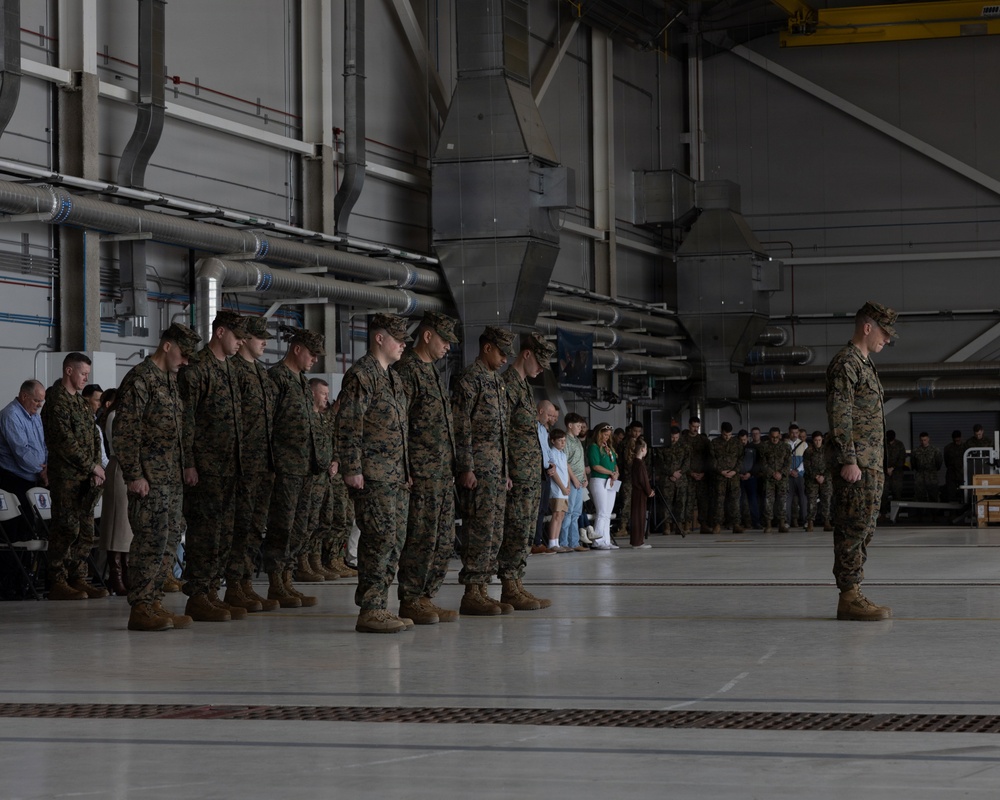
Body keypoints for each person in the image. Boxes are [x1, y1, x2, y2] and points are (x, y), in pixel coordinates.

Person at [114, 323, 201, 631]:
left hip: (172, 477)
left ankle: (155, 603)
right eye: (183, 353)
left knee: (168, 540)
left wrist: (187, 464)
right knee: (149, 541)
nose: (186, 361)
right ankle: (140, 606)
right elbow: (125, 432)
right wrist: (135, 475)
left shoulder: (172, 381)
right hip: (149, 479)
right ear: (167, 346)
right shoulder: (141, 379)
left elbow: (183, 431)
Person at [336, 312, 412, 634]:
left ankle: (381, 605)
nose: (403, 345)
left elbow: (399, 430)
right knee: (377, 540)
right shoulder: (361, 375)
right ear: (379, 338)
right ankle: (370, 608)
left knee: (394, 541)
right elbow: (350, 425)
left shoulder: (392, 378)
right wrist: (352, 469)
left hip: (395, 475)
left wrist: (406, 470)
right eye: (397, 338)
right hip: (373, 474)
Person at [827, 300, 896, 621]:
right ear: (867, 327)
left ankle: (854, 592)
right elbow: (840, 413)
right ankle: (849, 596)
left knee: (865, 528)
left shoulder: (866, 364)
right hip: (857, 463)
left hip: (872, 463)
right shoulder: (846, 363)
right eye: (884, 332)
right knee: (852, 528)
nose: (887, 339)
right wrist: (849, 459)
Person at [178, 309, 248, 623]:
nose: (241, 342)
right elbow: (187, 421)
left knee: (223, 533)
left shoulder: (231, 370)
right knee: (204, 534)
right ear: (220, 332)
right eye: (237, 336)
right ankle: (197, 596)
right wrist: (189, 463)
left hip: (230, 467)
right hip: (205, 468)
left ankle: (212, 593)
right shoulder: (197, 369)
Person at [392, 310, 460, 625]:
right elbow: (399, 425)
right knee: (420, 538)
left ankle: (426, 597)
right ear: (428, 335)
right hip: (420, 472)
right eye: (444, 340)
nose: (448, 347)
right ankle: (411, 599)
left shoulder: (432, 371)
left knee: (442, 540)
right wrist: (405, 469)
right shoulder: (407, 370)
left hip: (442, 473)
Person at [451, 325, 514, 615]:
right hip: (478, 470)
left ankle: (484, 589)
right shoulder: (469, 379)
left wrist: (506, 472)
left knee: (494, 533)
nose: (505, 359)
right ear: (487, 347)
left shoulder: (497, 382)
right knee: (478, 531)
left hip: (496, 471)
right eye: (501, 352)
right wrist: (466, 467)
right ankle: (471, 592)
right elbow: (461, 427)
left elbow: (502, 433)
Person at [265, 327, 325, 609]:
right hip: (285, 467)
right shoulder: (277, 378)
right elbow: (267, 425)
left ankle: (288, 579)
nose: (315, 360)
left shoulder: (301, 380)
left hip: (305, 467)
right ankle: (276, 583)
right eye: (312, 354)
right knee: (282, 527)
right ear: (297, 349)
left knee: (300, 528)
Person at [41, 352, 108, 601]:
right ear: (69, 371)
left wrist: (97, 468)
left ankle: (78, 577)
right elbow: (64, 443)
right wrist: (92, 466)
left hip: (87, 478)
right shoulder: (56, 403)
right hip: (66, 477)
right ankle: (57, 580)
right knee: (66, 527)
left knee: (86, 530)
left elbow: (94, 435)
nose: (85, 379)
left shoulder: (81, 403)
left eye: (87, 375)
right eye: (83, 374)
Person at [228, 315, 281, 612]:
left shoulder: (262, 374)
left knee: (253, 528)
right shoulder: (233, 371)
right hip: (242, 464)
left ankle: (246, 583)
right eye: (259, 337)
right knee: (239, 526)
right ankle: (234, 584)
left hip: (263, 463)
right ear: (244, 339)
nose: (264, 342)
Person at [500, 332, 556, 609]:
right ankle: (509, 585)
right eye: (539, 361)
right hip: (516, 474)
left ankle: (516, 583)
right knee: (515, 530)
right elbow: (500, 432)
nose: (541, 368)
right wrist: (506, 470)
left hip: (530, 474)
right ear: (526, 354)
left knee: (524, 532)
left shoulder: (524, 388)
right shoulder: (506, 385)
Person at [0, 379, 48, 541]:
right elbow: (22, 452)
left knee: (30, 530)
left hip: (33, 478)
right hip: (14, 480)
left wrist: (47, 466)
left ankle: (27, 565)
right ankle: (13, 567)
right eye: (36, 400)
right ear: (24, 396)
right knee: (16, 531)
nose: (39, 404)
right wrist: (42, 471)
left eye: (41, 401)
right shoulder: (11, 415)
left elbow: (42, 445)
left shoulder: (34, 415)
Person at [98, 390, 133, 596]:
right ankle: (116, 574)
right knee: (116, 524)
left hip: (131, 470)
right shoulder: (115, 415)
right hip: (119, 467)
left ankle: (126, 573)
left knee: (127, 527)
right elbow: (123, 446)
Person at [530, 400, 558, 554]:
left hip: (546, 471)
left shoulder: (543, 429)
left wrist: (552, 463)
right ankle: (530, 542)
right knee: (533, 508)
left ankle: (537, 541)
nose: (549, 419)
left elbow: (546, 449)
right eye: (548, 415)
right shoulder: (531, 426)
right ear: (540, 411)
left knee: (542, 509)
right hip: (535, 471)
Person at [587, 422, 619, 550]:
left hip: (610, 481)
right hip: (599, 480)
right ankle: (597, 540)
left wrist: (616, 473)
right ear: (599, 434)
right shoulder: (594, 447)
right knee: (601, 512)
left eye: (608, 435)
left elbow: (614, 463)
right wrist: (610, 473)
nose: (607, 437)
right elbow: (595, 466)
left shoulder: (608, 447)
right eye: (605, 435)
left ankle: (606, 539)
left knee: (607, 512)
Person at [653, 425, 689, 535]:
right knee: (666, 504)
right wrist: (671, 473)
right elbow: (660, 462)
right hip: (667, 479)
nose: (674, 439)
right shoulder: (662, 446)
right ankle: (666, 526)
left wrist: (679, 473)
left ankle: (679, 525)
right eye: (672, 437)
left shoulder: (684, 446)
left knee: (680, 503)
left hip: (680, 479)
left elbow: (687, 462)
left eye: (676, 437)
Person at [560, 412, 588, 551]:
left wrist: (584, 477)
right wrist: (574, 479)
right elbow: (566, 462)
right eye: (578, 426)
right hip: (571, 481)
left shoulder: (577, 441)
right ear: (570, 425)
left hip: (579, 481)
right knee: (569, 512)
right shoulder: (566, 440)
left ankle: (574, 542)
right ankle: (564, 542)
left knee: (576, 513)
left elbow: (580, 461)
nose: (580, 428)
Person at [710, 421, 744, 534]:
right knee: (719, 501)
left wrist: (735, 471)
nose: (727, 437)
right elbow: (712, 460)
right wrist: (721, 471)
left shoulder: (737, 443)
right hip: (720, 477)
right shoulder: (714, 443)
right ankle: (717, 524)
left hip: (733, 477)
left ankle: (736, 524)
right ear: (721, 432)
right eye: (725, 435)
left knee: (735, 501)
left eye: (729, 435)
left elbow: (741, 459)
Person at [758, 426, 791, 533]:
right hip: (769, 478)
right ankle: (768, 524)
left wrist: (781, 473)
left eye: (777, 437)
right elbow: (763, 463)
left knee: (782, 501)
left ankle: (782, 523)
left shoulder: (786, 447)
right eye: (773, 437)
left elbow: (788, 462)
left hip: (782, 478)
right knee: (768, 501)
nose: (775, 439)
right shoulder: (764, 447)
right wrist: (772, 473)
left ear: (780, 436)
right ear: (769, 436)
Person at [681, 416, 711, 533]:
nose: (695, 429)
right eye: (694, 427)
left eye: (697, 427)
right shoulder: (683, 440)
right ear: (689, 426)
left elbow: (709, 458)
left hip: (702, 475)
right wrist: (690, 472)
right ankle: (687, 524)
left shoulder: (704, 440)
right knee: (689, 500)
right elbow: (680, 459)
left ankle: (703, 524)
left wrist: (704, 473)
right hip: (688, 475)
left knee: (703, 501)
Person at [546, 428, 571, 552]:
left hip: (564, 490)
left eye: (564, 441)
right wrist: (562, 487)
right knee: (556, 515)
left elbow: (565, 472)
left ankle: (557, 541)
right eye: (560, 441)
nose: (563, 443)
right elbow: (554, 473)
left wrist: (568, 486)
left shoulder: (563, 454)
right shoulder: (551, 452)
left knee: (561, 515)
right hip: (557, 489)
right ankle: (552, 542)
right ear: (552, 441)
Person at [804, 431, 833, 532]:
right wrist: (816, 476)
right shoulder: (808, 451)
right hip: (812, 479)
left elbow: (830, 465)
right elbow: (807, 466)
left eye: (819, 440)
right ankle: (810, 522)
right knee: (812, 501)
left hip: (826, 479)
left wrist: (824, 476)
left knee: (826, 500)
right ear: (813, 440)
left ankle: (827, 521)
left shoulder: (827, 450)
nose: (818, 442)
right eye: (816, 440)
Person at [911, 432, 943, 519]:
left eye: (925, 440)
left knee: (934, 495)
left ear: (928, 439)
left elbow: (939, 463)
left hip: (931, 475)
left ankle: (935, 515)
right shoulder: (916, 451)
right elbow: (913, 463)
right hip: (920, 475)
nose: (923, 442)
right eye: (921, 440)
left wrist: (933, 470)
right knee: (919, 495)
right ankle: (920, 516)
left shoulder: (935, 450)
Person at [629, 437, 653, 548]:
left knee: (637, 516)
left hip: (636, 492)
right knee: (639, 517)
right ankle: (638, 542)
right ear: (643, 449)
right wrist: (649, 491)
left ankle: (637, 540)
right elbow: (644, 480)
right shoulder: (640, 463)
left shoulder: (635, 462)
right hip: (640, 493)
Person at [737, 429, 761, 530]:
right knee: (739, 501)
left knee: (753, 500)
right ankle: (740, 522)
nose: (743, 442)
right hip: (737, 478)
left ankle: (756, 522)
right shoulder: (734, 449)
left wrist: (750, 473)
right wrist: (737, 473)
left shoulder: (753, 448)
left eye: (745, 439)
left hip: (751, 478)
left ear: (748, 438)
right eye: (741, 440)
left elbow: (757, 463)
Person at [881, 429, 907, 519]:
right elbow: (880, 457)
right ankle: (883, 513)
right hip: (885, 473)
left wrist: (893, 468)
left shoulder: (899, 445)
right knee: (883, 494)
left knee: (897, 493)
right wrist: (886, 468)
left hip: (897, 473)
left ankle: (897, 514)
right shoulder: (883, 444)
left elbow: (902, 458)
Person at [787, 423, 808, 529]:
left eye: (796, 433)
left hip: (800, 475)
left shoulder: (804, 445)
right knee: (788, 498)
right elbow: (783, 460)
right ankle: (787, 522)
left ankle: (805, 521)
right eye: (792, 433)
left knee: (802, 498)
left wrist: (798, 470)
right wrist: (790, 470)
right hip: (788, 475)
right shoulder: (784, 444)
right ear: (789, 433)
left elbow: (806, 460)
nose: (794, 435)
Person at [943, 429, 965, 502]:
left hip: (962, 473)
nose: (957, 442)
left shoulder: (965, 447)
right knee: (951, 494)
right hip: (951, 473)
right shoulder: (948, 448)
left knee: (964, 494)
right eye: (955, 441)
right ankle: (952, 512)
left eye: (958, 440)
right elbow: (946, 462)